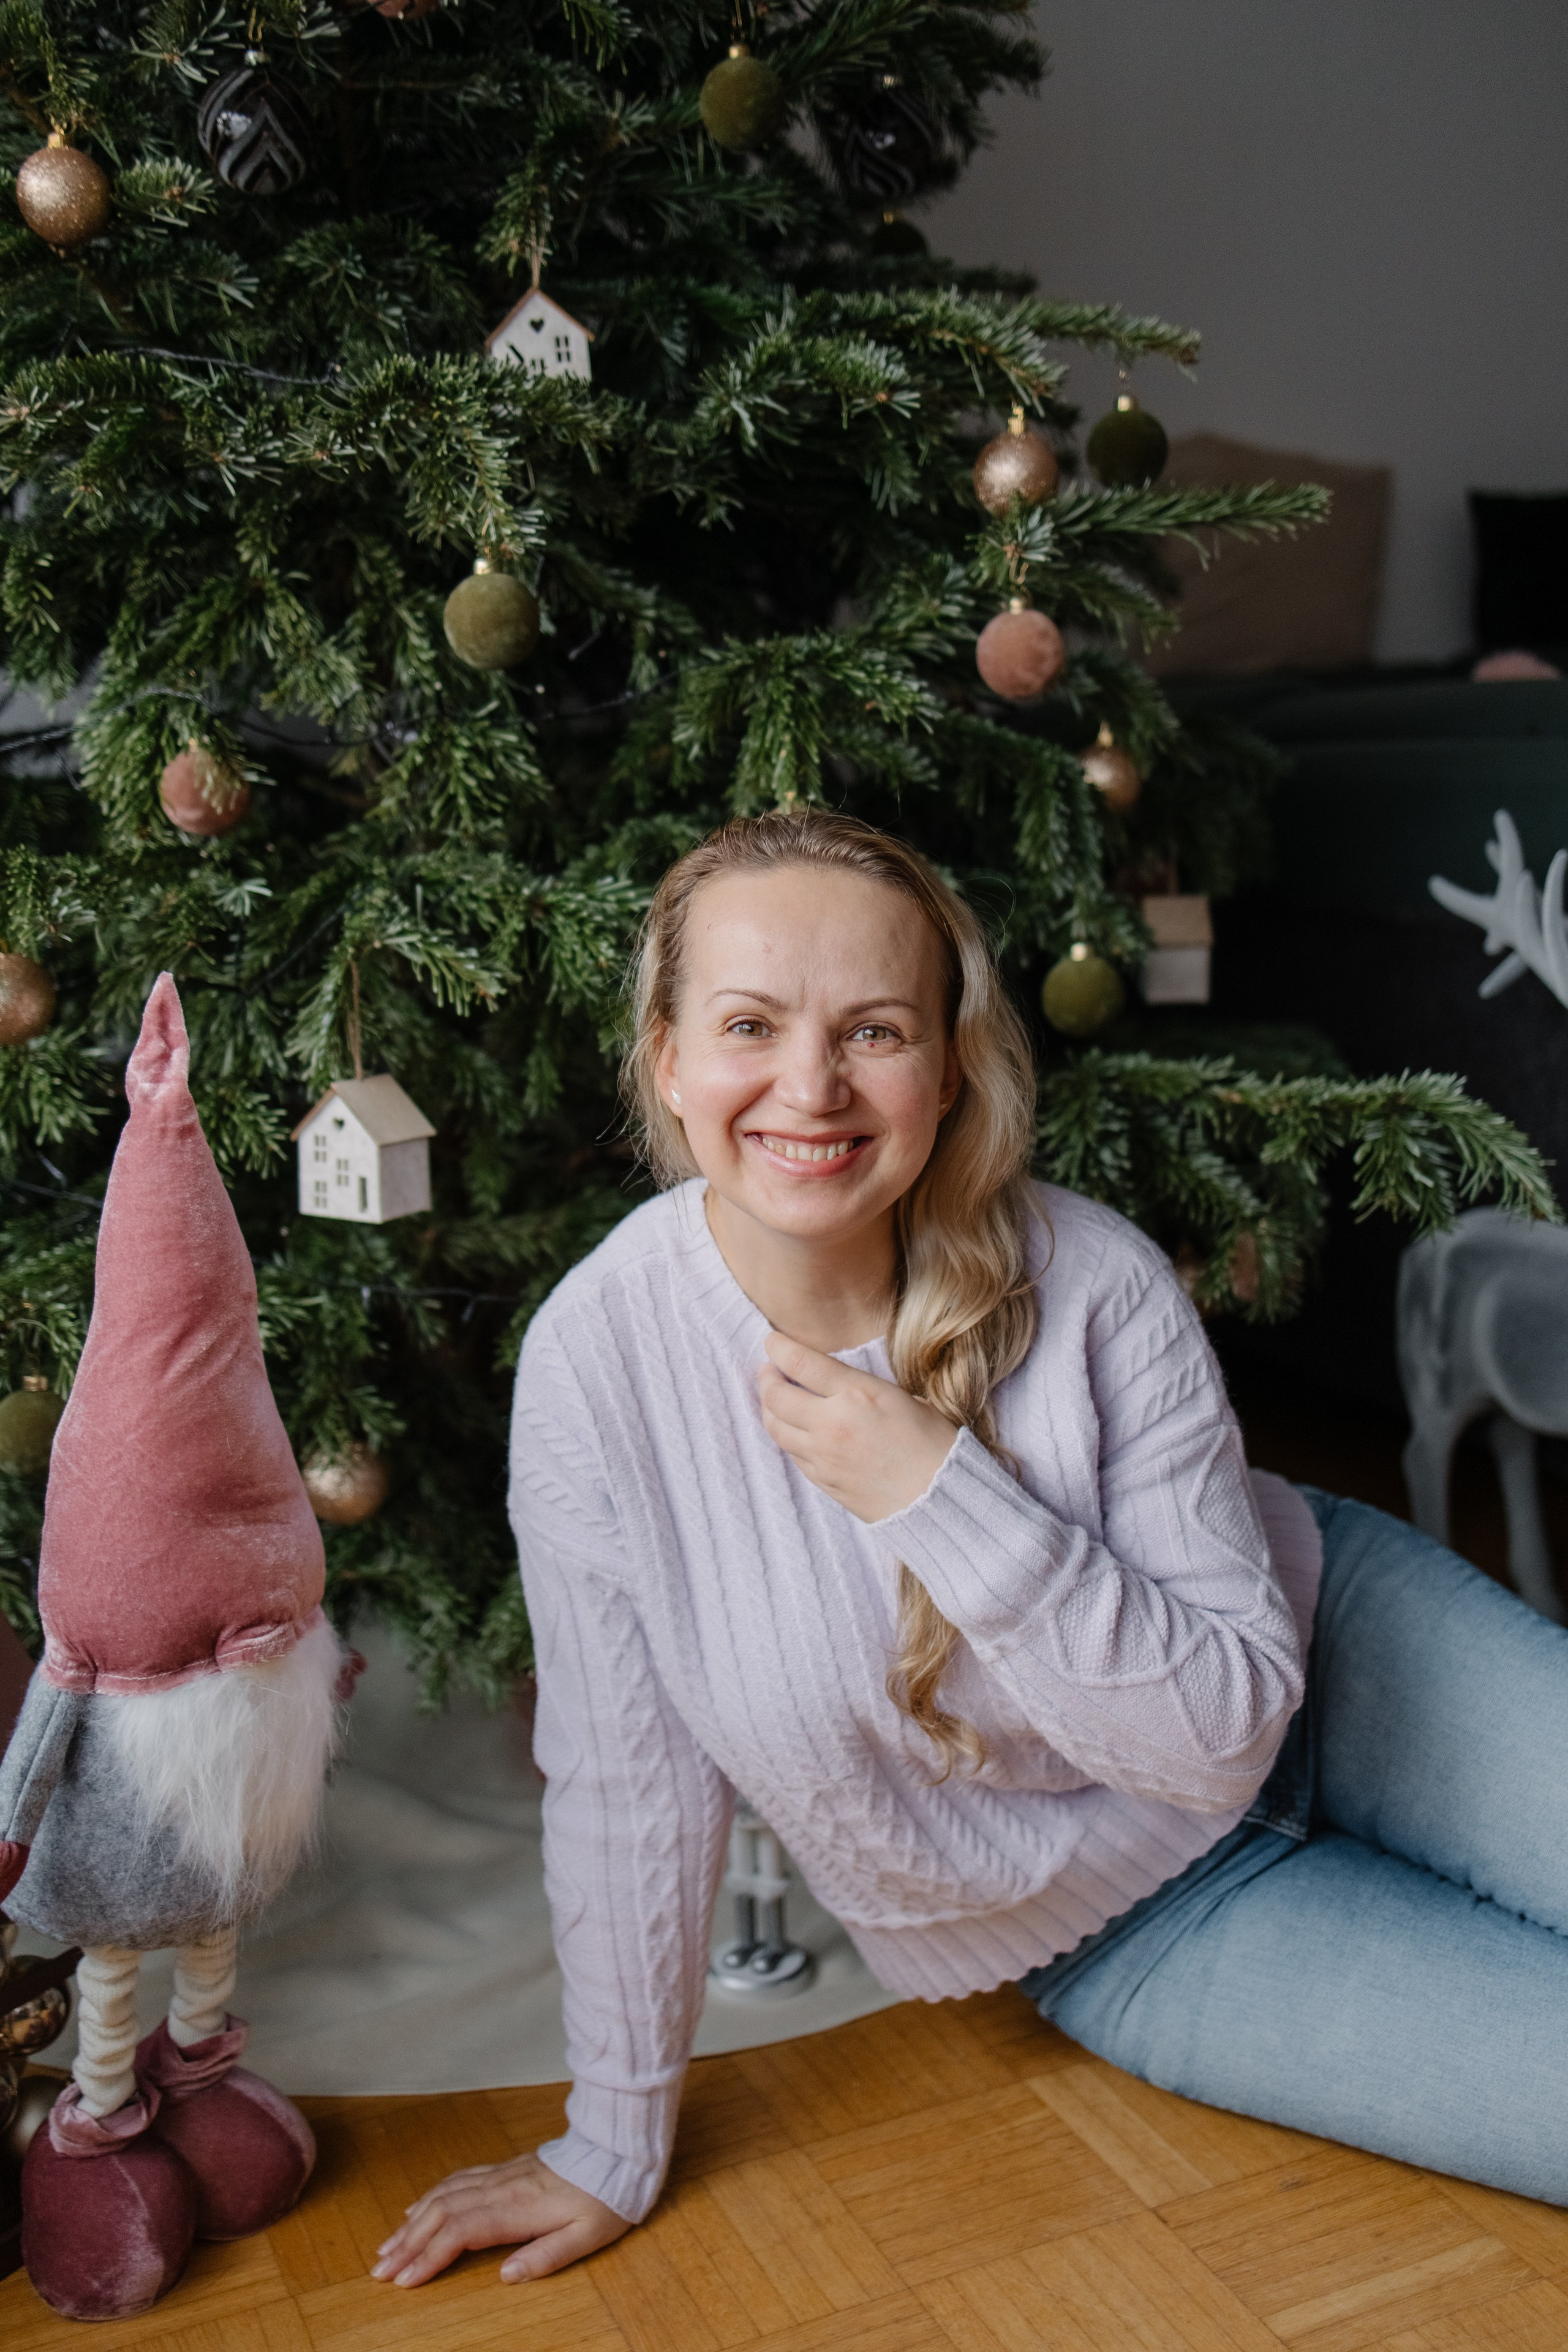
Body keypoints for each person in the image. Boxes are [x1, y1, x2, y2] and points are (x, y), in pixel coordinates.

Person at [374, 809, 1568, 2291]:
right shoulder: (596, 1368)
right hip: (1134, 1928)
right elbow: (626, 1780)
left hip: (1340, 1662)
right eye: (749, 1023)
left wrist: (937, 1489)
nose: (808, 1086)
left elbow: (1214, 1738)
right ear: (667, 1059)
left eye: (872, 1029)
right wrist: (608, 2141)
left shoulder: (1094, 1280)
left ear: (944, 1068)